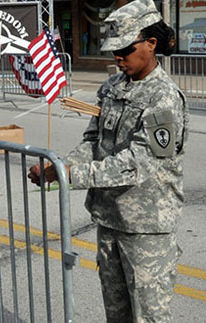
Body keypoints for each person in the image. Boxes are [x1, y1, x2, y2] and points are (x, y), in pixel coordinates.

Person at [28, 0, 189, 322]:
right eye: (113, 49)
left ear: (151, 44)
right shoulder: (113, 87)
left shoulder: (164, 97)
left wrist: (71, 175)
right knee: (116, 313)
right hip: (109, 218)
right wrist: (58, 168)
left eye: (126, 48)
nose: (118, 56)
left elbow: (142, 162)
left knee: (148, 316)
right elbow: (94, 141)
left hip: (146, 228)